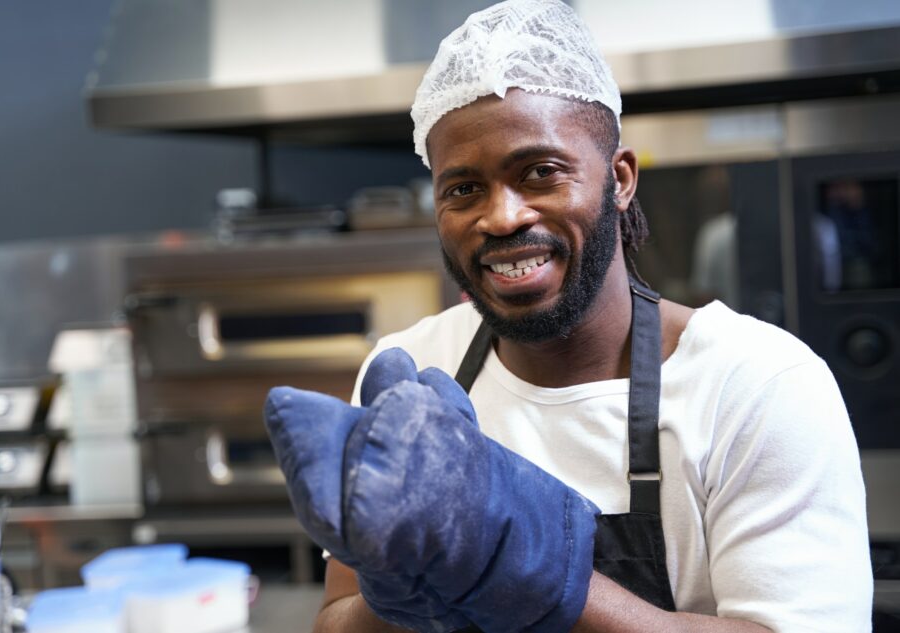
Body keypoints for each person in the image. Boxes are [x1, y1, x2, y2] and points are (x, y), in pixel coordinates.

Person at [264, 1, 872, 631]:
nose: (502, 217)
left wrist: (538, 575)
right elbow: (336, 616)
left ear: (620, 178)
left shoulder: (756, 385)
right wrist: (397, 594)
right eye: (463, 189)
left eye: (540, 172)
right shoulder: (413, 370)